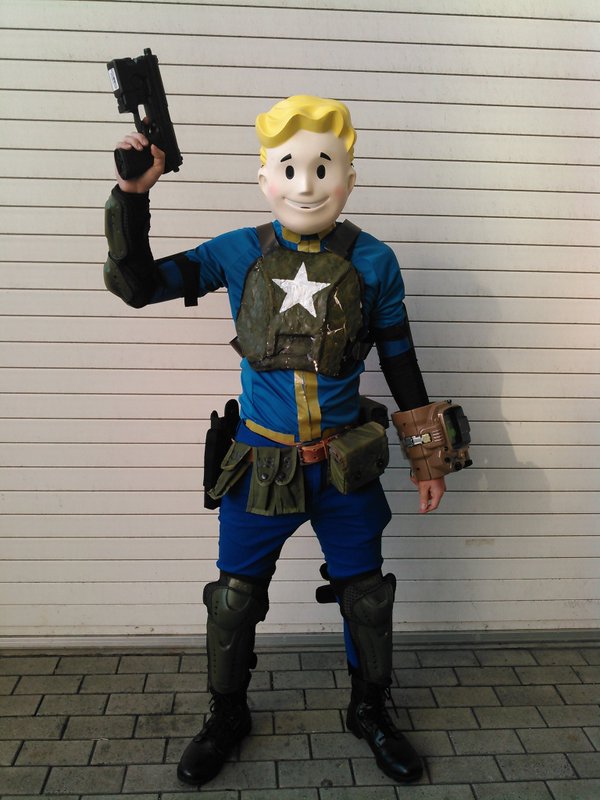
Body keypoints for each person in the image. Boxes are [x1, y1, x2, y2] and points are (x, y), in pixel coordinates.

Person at [104, 95, 449, 787]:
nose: (306, 184)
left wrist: (427, 457)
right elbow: (138, 285)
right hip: (261, 465)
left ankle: (369, 710)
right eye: (289, 168)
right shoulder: (238, 252)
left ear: (349, 178)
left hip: (345, 470)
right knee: (233, 599)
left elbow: (401, 358)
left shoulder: (375, 262)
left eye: (324, 167)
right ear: (265, 178)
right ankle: (227, 714)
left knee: (366, 596)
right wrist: (132, 196)